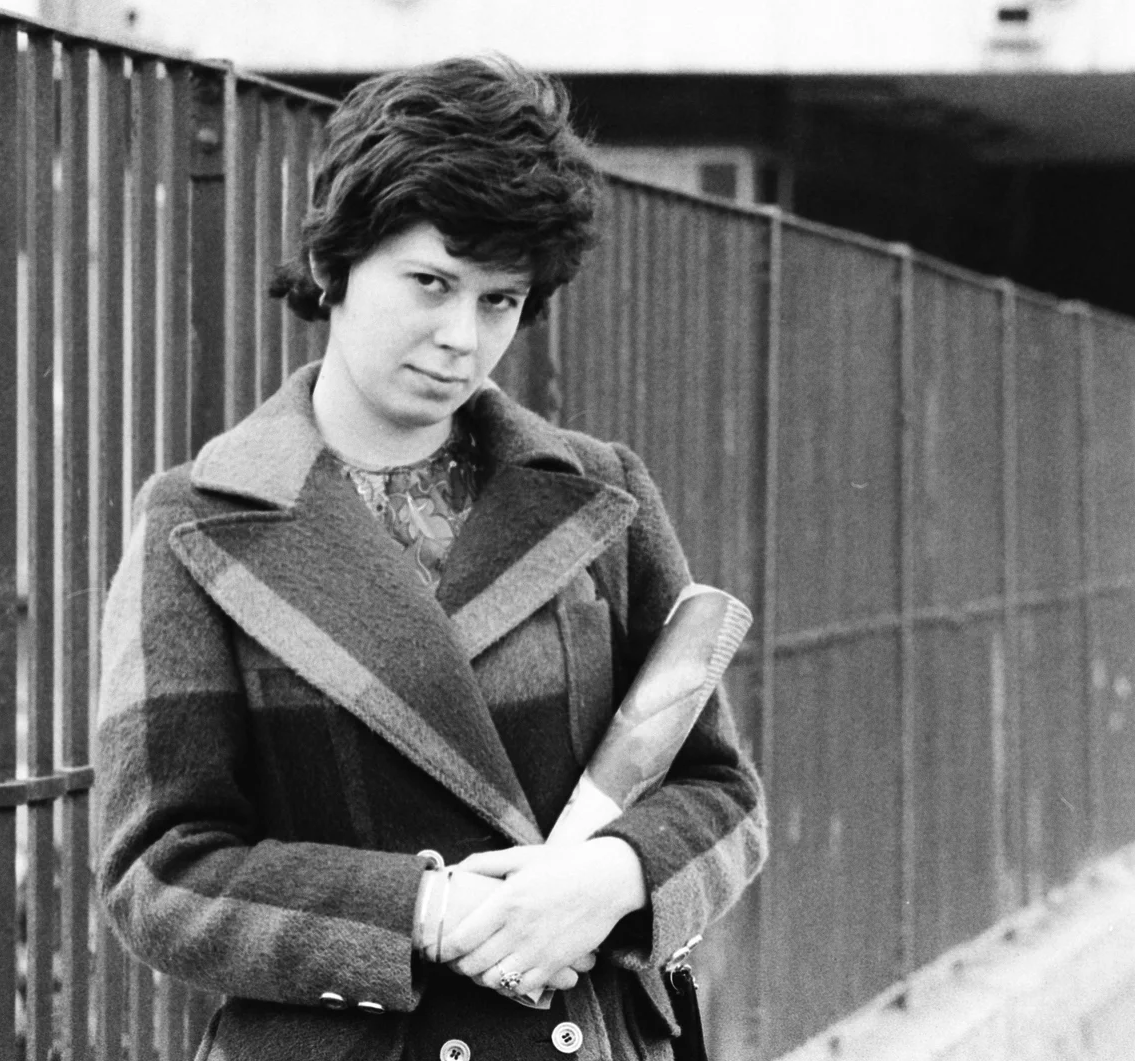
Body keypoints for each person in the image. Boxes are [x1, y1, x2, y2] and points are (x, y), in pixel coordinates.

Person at [93, 55, 767, 1061]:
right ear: (334, 264)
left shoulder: (596, 491)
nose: (460, 336)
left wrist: (613, 877)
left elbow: (722, 792)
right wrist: (425, 911)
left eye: (499, 299)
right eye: (430, 283)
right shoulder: (198, 522)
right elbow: (159, 871)